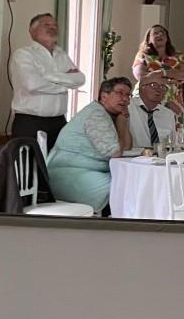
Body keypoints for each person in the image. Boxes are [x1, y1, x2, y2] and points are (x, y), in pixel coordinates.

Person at [48, 77, 133, 212]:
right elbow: (116, 152)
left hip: (88, 171)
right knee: (129, 189)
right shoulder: (96, 115)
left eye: (128, 95)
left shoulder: (108, 115)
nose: (125, 99)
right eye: (120, 93)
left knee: (132, 184)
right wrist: (122, 124)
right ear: (104, 96)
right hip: (70, 175)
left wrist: (123, 122)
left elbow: (126, 147)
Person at [9, 12, 85, 152]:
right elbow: (32, 84)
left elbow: (80, 79)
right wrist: (65, 85)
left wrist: (48, 76)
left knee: (56, 170)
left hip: (59, 122)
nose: (52, 28)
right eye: (46, 25)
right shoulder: (24, 54)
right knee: (29, 170)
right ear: (32, 31)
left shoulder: (62, 55)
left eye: (54, 25)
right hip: (30, 122)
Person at [132, 24, 184, 114]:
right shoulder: (143, 55)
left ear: (167, 38)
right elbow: (141, 76)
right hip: (149, 97)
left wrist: (156, 75)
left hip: (175, 99)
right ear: (148, 39)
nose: (160, 35)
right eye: (155, 33)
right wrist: (169, 73)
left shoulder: (178, 56)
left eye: (162, 33)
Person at [128, 71, 178, 150]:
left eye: (162, 87)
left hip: (161, 159)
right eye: (154, 85)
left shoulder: (168, 114)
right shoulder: (128, 107)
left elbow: (172, 144)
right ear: (142, 87)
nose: (158, 90)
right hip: (132, 159)